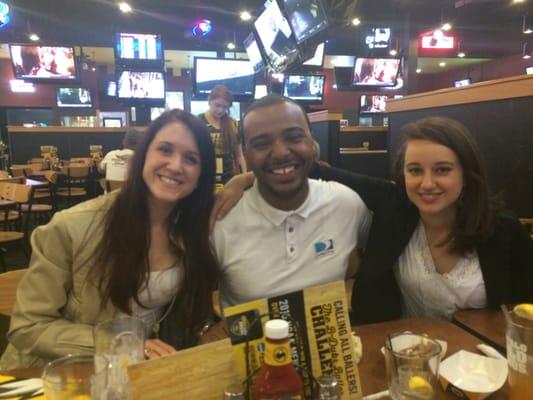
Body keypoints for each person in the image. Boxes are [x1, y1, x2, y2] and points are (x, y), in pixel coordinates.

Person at [215, 116, 533, 324]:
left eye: (443, 169)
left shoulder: (503, 232)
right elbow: (314, 167)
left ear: (467, 172)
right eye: (415, 170)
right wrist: (245, 179)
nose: (427, 183)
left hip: (483, 366)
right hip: (403, 356)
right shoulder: (395, 208)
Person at [0, 109, 218, 368]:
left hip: (136, 373)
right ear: (143, 156)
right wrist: (123, 344)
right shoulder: (72, 227)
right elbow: (28, 327)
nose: (176, 165)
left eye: (191, 159)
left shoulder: (191, 229)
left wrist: (242, 181)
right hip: (57, 375)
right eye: (165, 150)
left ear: (200, 176)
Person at [211, 94, 371, 309]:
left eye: (294, 137)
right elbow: (197, 297)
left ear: (312, 142)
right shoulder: (222, 219)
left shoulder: (347, 204)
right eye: (261, 143)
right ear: (245, 153)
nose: (280, 152)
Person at [198, 85, 246, 185]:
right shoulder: (198, 122)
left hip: (228, 177)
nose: (220, 110)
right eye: (217, 105)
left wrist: (245, 178)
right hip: (204, 176)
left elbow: (239, 155)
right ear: (209, 101)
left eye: (224, 107)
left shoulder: (233, 124)